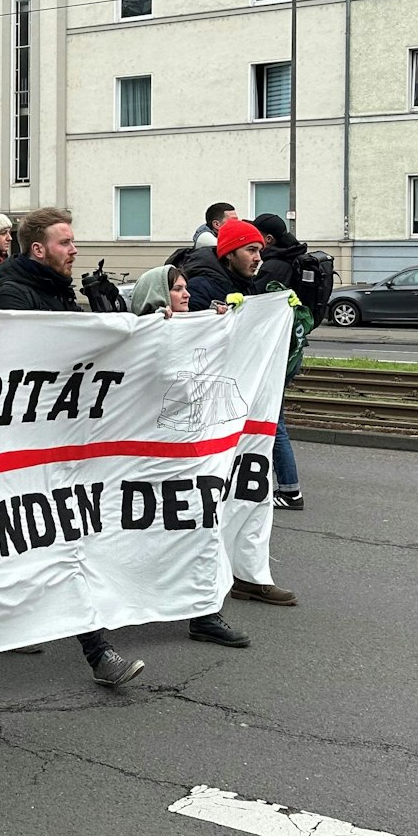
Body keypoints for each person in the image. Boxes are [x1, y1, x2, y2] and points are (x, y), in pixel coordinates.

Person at [0, 208, 148, 687]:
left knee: (55, 542)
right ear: (38, 249)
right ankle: (97, 651)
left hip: (60, 441)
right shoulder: (12, 295)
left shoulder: (58, 291)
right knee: (55, 542)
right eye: (65, 242)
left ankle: (19, 625)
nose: (74, 249)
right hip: (25, 444)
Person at [180, 218, 304, 606]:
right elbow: (187, 340)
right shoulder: (203, 286)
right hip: (209, 413)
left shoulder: (246, 285)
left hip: (242, 410)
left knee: (254, 489)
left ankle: (248, 572)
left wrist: (285, 315)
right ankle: (199, 580)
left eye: (259, 250)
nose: (258, 257)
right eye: (251, 250)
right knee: (210, 498)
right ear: (229, 252)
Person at [128, 265, 250, 646]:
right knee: (142, 536)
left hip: (192, 456)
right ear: (158, 296)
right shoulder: (139, 336)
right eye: (176, 290)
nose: (185, 295)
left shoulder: (192, 328)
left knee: (202, 527)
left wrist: (217, 328)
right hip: (148, 459)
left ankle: (203, 612)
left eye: (184, 288)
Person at [250, 213, 310, 512]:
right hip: (290, 350)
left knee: (274, 423)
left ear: (268, 240)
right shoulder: (294, 258)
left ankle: (290, 490)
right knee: (273, 421)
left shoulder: (274, 265)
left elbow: (256, 304)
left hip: (276, 353)